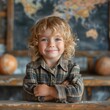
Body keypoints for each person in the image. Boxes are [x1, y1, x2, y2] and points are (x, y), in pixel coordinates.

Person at [23, 16, 84, 103]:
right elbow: (28, 94)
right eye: (44, 39)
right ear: (36, 44)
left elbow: (77, 94)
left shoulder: (72, 67)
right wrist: (61, 90)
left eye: (57, 39)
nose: (51, 44)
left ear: (66, 43)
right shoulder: (32, 68)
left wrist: (49, 91)